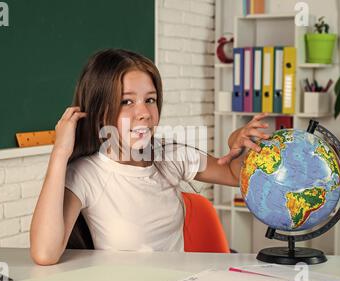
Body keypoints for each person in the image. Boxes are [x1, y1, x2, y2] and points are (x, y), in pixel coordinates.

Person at [30, 49, 270, 265]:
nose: (144, 113)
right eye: (127, 101)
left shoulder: (171, 156)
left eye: (150, 100)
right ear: (100, 112)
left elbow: (233, 173)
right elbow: (45, 253)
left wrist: (237, 148)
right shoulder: (86, 174)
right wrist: (60, 153)